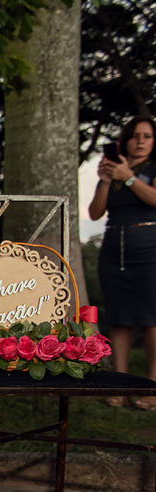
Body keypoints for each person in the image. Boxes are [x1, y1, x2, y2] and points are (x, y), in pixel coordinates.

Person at [88, 115, 156, 409]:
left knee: (151, 320)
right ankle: (119, 386)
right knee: (119, 320)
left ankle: (151, 389)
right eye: (135, 135)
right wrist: (106, 181)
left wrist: (128, 177)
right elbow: (94, 212)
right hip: (113, 253)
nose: (140, 141)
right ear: (125, 140)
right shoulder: (113, 172)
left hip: (149, 251)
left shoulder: (153, 169)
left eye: (147, 136)